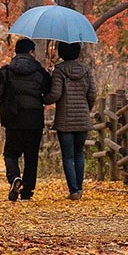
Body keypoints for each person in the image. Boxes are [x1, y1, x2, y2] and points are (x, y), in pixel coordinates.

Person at [0, 38, 51, 201]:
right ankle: (27, 192)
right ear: (31, 52)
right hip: (34, 119)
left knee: (11, 153)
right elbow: (49, 90)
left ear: (16, 52)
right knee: (31, 156)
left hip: (13, 118)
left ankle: (14, 177)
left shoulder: (6, 71)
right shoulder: (39, 72)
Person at [43, 41, 96, 200]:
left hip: (65, 120)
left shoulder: (59, 70)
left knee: (68, 156)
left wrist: (43, 99)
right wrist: (86, 110)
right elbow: (92, 94)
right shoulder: (86, 70)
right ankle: (79, 188)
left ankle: (73, 191)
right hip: (82, 119)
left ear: (61, 52)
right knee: (79, 153)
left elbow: (55, 95)